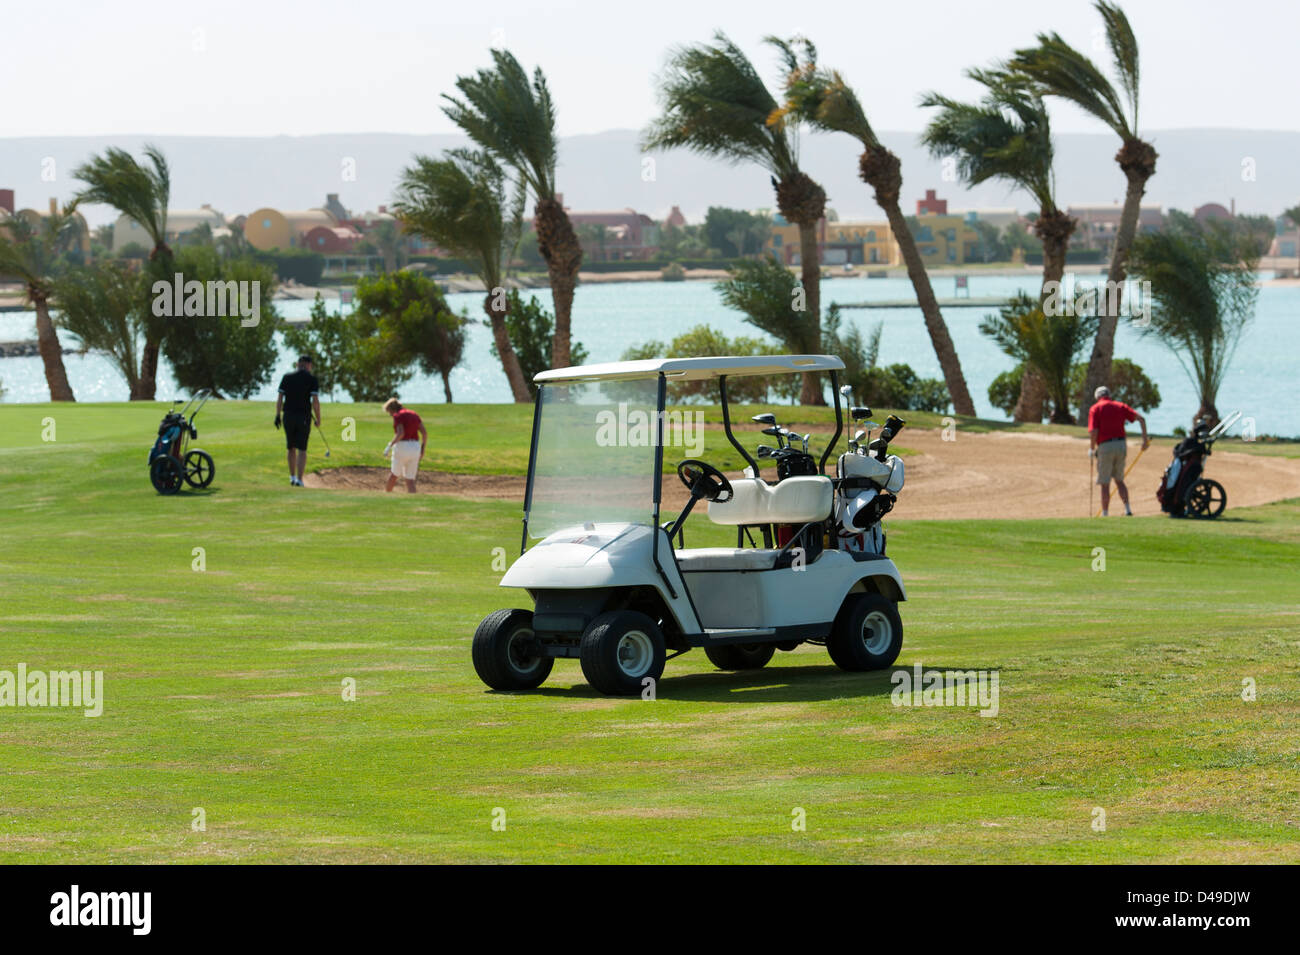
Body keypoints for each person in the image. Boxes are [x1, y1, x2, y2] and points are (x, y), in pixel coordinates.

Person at [1088, 385, 1149, 516]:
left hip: (1105, 446)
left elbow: (1094, 431)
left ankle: (1105, 513)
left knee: (1105, 483)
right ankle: (1127, 509)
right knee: (1119, 480)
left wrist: (1092, 448)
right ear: (1109, 395)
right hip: (1121, 445)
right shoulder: (1120, 406)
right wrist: (1145, 440)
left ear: (1097, 397)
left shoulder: (1095, 408)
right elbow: (1141, 419)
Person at [275, 355, 321, 487]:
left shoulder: (287, 377)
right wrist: (318, 419)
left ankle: (292, 477)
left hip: (288, 416)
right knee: (302, 448)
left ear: (298, 364)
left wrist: (277, 415)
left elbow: (280, 398)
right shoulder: (312, 379)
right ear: (309, 365)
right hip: (303, 417)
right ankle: (300, 480)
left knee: (290, 447)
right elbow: (315, 402)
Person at [383, 398, 426, 493]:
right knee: (410, 479)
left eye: (389, 412)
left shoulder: (398, 416)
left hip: (402, 446)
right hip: (415, 447)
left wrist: (390, 445)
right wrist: (422, 449)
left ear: (392, 409)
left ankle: (386, 495)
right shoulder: (414, 414)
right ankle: (413, 501)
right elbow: (424, 433)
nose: (390, 415)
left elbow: (400, 433)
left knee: (394, 475)